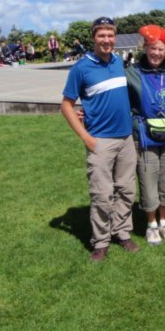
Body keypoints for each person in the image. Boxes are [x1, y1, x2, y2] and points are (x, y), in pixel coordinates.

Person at [61, 16, 139, 262]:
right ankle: (101, 242)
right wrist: (86, 138)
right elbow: (66, 105)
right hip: (100, 141)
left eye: (110, 35)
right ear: (94, 38)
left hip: (126, 138)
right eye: (101, 35)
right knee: (102, 194)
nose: (106, 40)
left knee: (126, 191)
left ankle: (122, 233)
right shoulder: (81, 68)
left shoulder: (118, 62)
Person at [125, 25, 165, 246]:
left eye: (161, 49)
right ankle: (151, 225)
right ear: (145, 48)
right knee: (148, 177)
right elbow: (117, 98)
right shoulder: (131, 72)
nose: (157, 53)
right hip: (144, 134)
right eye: (153, 48)